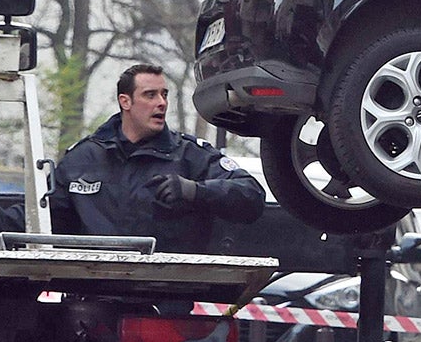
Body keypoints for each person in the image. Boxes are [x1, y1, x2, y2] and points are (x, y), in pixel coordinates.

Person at [49, 64, 263, 251]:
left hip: (165, 290)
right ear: (125, 102)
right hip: (95, 289)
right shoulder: (82, 159)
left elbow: (251, 195)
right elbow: (43, 217)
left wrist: (196, 191)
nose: (161, 103)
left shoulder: (189, 154)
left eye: (164, 94)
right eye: (150, 95)